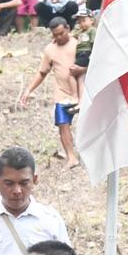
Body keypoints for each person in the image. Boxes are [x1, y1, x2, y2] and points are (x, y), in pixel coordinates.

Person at [19, 18, 81, 170]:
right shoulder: (50, 50)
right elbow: (42, 73)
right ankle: (71, 157)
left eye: (61, 33)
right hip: (62, 93)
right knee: (62, 124)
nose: (59, 37)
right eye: (55, 35)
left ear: (68, 29)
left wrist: (82, 71)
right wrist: (28, 90)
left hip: (82, 90)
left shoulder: (78, 44)